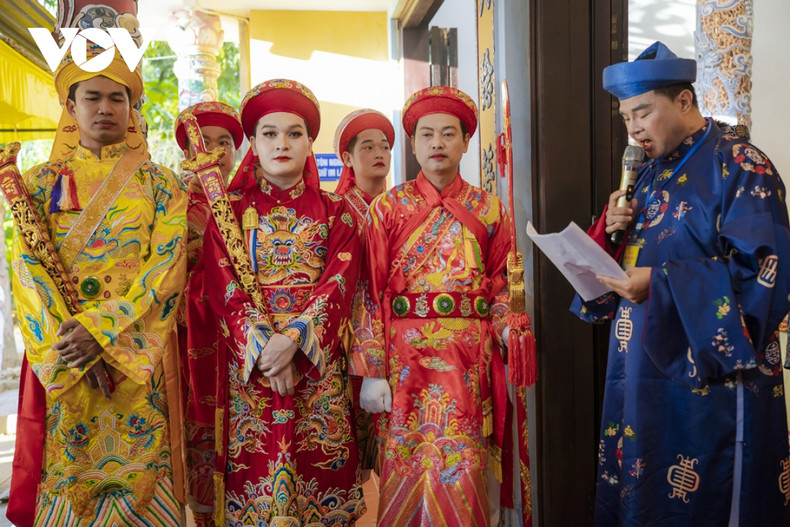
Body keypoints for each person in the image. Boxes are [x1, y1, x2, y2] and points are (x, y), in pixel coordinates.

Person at [574, 41, 790, 525]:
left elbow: (764, 275)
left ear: (685, 102)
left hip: (708, 377)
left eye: (644, 112)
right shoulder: (648, 177)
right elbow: (632, 259)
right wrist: (610, 230)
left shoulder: (740, 164)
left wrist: (661, 284)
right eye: (626, 117)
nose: (633, 129)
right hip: (637, 368)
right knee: (642, 488)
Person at [7, 42, 187, 524]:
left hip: (136, 366)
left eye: (118, 98)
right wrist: (71, 345)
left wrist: (103, 332)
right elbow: (26, 272)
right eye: (92, 97)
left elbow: (167, 269)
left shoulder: (161, 184)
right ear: (70, 105)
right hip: (70, 365)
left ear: (131, 108)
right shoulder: (38, 184)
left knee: (144, 484)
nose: (106, 108)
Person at [186, 79, 365, 525]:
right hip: (253, 371)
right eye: (269, 133)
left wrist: (294, 341)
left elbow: (338, 284)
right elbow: (224, 287)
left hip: (316, 369)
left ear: (309, 143)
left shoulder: (339, 212)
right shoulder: (225, 213)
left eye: (293, 133)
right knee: (258, 492)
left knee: (319, 483)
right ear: (253, 142)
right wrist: (267, 347)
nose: (281, 143)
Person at [350, 86, 513, 525]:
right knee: (405, 463)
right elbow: (368, 291)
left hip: (467, 363)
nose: (437, 143)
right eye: (427, 135)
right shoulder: (388, 207)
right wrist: (371, 372)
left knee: (463, 467)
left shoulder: (490, 209)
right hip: (403, 363)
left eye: (448, 134)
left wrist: (511, 329)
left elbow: (501, 288)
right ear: (415, 143)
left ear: (464, 141)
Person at [173, 101, 243, 524]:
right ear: (186, 153)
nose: (216, 151)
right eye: (206, 142)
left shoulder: (248, 203)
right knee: (201, 440)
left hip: (245, 345)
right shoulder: (173, 204)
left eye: (226, 142)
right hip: (196, 340)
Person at [333, 108, 395, 478]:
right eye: (368, 146)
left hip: (395, 337)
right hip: (346, 340)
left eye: (385, 146)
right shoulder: (337, 212)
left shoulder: (402, 208)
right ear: (347, 158)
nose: (379, 154)